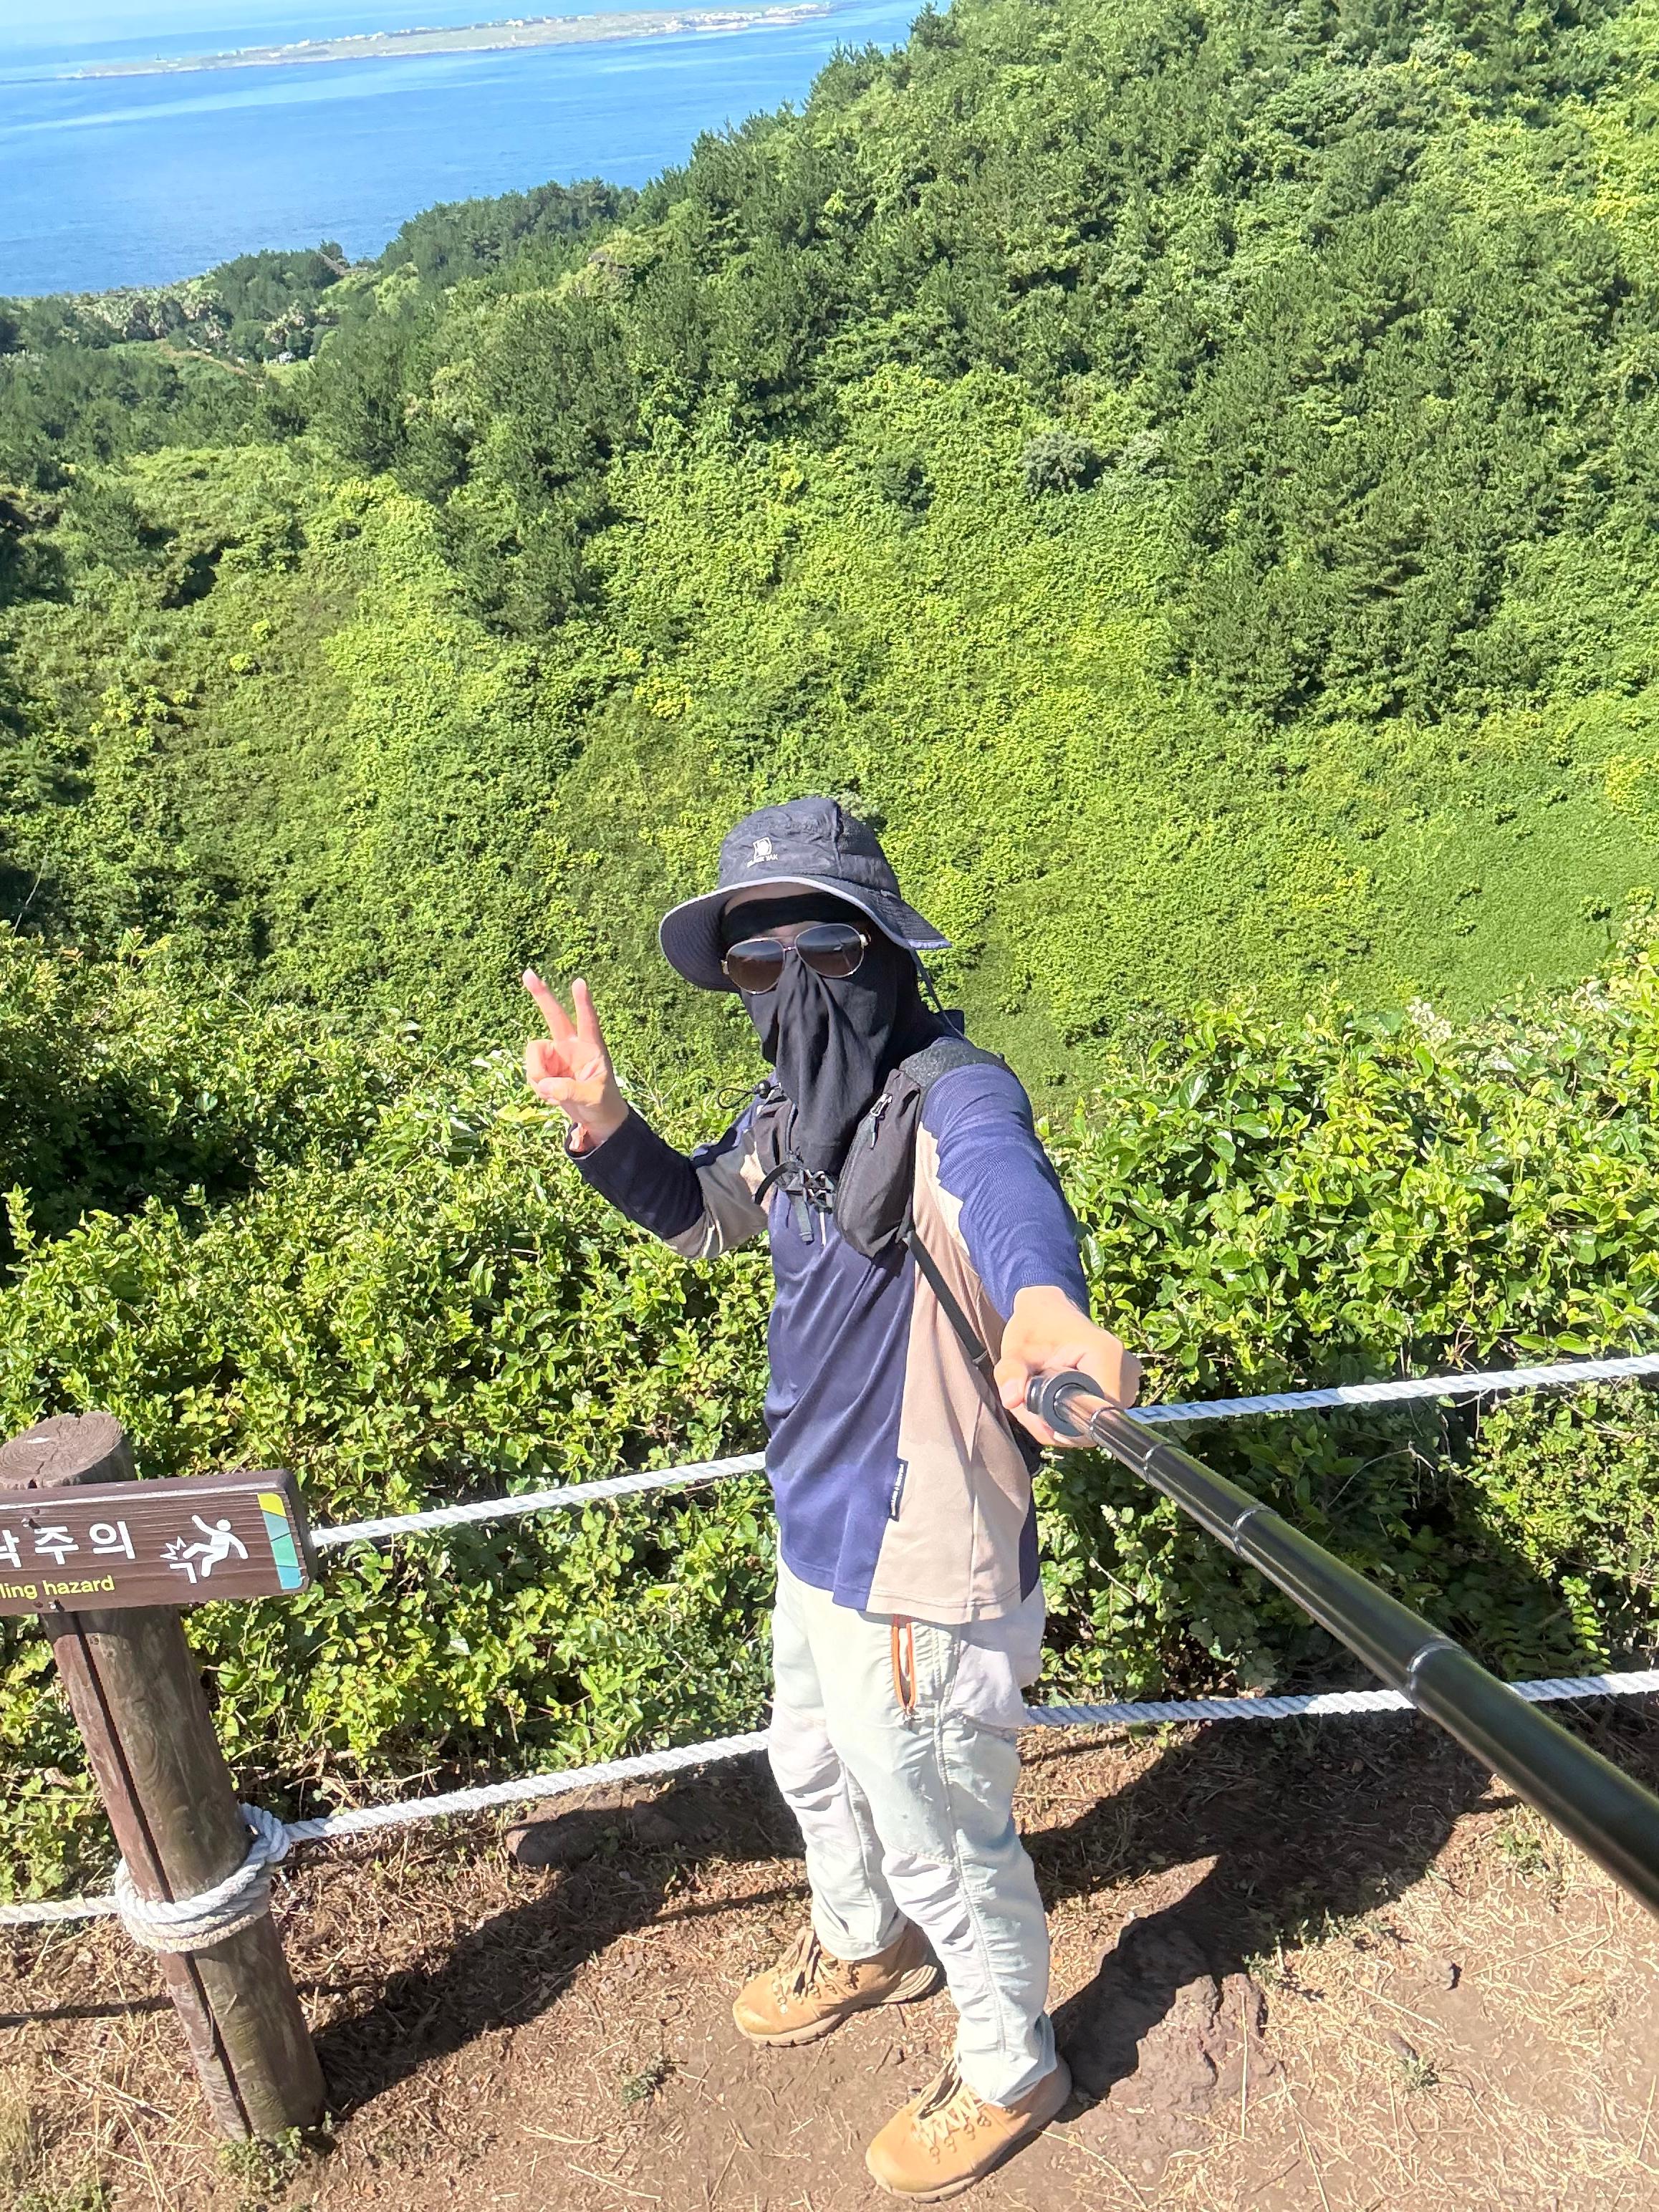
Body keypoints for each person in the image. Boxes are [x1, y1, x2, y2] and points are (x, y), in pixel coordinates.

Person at [523, 797, 1140, 2200]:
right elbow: (706, 1215)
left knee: (944, 1841)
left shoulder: (950, 1096)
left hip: (922, 1560)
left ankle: (1012, 2064)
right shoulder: (793, 1113)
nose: (793, 981)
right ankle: (865, 1943)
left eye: (828, 947)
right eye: (758, 958)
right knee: (811, 1767)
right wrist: (606, 1122)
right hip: (817, 1532)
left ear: (888, 949)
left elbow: (1004, 1193)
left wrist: (1047, 1312)